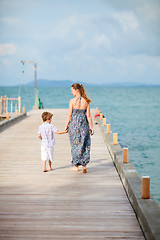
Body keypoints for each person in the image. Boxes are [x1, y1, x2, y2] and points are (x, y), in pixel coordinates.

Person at [65, 83, 94, 173]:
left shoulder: (72, 101)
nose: (71, 92)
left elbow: (69, 115)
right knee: (84, 144)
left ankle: (76, 166)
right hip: (84, 125)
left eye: (72, 90)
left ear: (76, 90)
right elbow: (88, 116)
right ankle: (84, 165)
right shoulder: (86, 101)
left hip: (74, 125)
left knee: (75, 145)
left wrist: (66, 125)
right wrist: (91, 127)